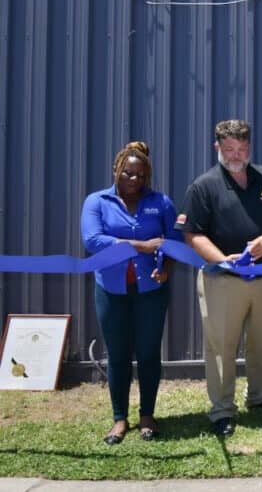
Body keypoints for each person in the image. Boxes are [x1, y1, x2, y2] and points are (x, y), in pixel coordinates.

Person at [176, 119, 262, 437]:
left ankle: (260, 397)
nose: (235, 154)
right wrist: (221, 260)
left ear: (249, 147)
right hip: (222, 280)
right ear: (217, 147)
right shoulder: (203, 186)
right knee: (221, 347)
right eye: (229, 148)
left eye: (242, 148)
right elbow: (192, 235)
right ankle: (222, 410)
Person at [81, 141, 182, 444]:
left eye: (139, 176)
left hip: (151, 289)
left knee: (149, 353)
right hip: (111, 290)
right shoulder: (97, 202)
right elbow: (93, 241)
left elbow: (173, 242)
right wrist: (141, 246)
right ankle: (119, 418)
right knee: (118, 355)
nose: (133, 180)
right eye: (127, 174)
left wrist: (165, 267)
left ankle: (148, 415)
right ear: (116, 170)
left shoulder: (161, 202)